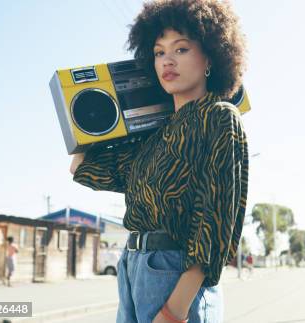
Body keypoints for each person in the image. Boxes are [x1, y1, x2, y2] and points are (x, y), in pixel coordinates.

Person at [70, 1, 248, 322]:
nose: (167, 60)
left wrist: (175, 309)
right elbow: (83, 168)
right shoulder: (153, 138)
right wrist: (95, 110)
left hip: (176, 275)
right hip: (132, 268)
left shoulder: (219, 117)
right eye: (158, 52)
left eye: (180, 49)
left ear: (210, 56)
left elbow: (218, 219)